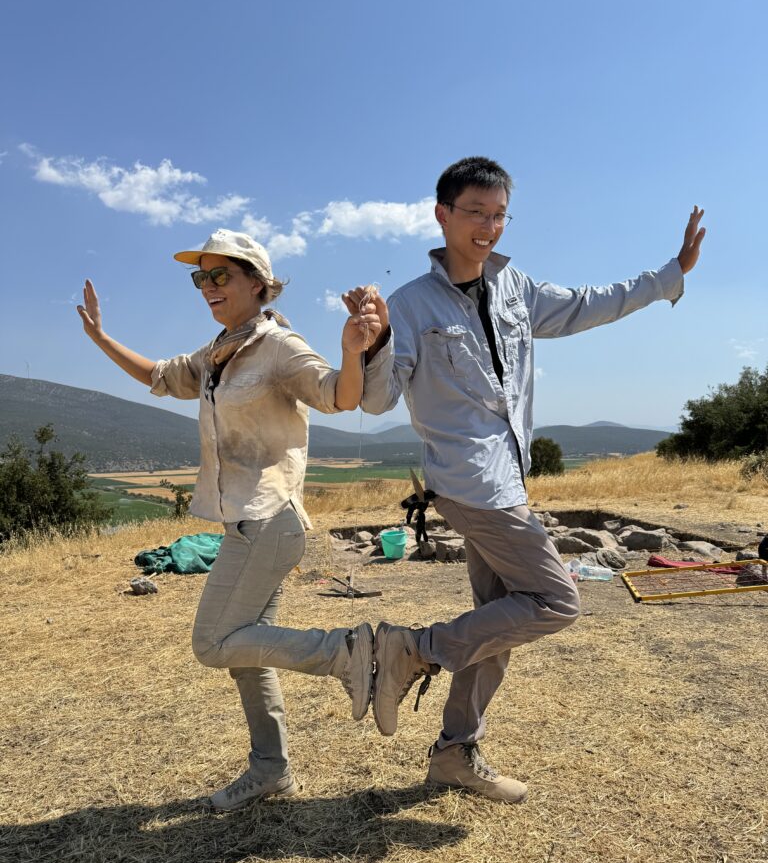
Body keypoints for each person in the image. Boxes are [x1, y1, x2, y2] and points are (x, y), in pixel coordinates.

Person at [348, 156, 705, 803]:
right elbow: (375, 403)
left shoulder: (518, 291)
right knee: (556, 600)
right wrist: (370, 346)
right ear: (443, 216)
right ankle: (415, 649)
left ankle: (456, 752)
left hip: (508, 478)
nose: (488, 227)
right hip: (468, 482)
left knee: (501, 619)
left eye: (498, 214)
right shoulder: (409, 306)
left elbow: (594, 304)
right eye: (475, 213)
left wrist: (670, 275)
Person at [77, 229, 388, 810]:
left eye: (221, 275)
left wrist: (352, 352)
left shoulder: (278, 347)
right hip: (243, 523)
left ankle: (349, 654)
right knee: (246, 653)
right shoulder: (219, 353)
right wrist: (99, 337)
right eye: (201, 277)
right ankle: (271, 769)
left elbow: (339, 397)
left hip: (271, 521)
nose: (208, 287)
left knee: (212, 642)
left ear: (256, 282)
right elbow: (160, 377)